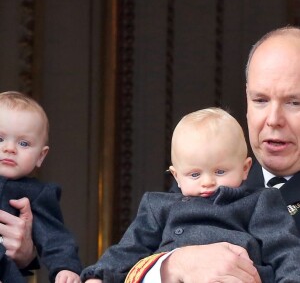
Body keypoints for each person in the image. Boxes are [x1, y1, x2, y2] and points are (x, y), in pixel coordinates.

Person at [120, 25, 300, 283]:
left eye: (294, 102)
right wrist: (172, 267)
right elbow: (124, 260)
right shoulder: (208, 178)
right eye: (260, 100)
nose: (273, 120)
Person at [80, 107, 300, 283]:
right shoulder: (160, 206)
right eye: (194, 174)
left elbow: (285, 251)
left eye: (220, 171)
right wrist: (98, 276)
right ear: (176, 176)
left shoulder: (259, 202)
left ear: (245, 168)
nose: (208, 182)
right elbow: (129, 249)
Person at [0, 91, 82, 282]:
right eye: (0, 139)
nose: (9, 148)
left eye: (23, 143)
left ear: (41, 156)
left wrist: (66, 266)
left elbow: (55, 236)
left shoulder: (35, 194)